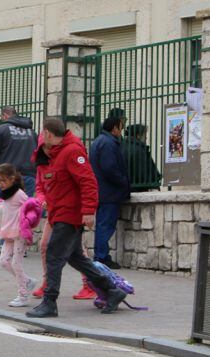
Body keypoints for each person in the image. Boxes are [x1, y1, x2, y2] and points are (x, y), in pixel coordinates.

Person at [26, 117, 126, 318]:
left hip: (69, 214)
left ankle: (50, 302)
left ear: (48, 133)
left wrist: (88, 211)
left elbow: (88, 182)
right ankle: (113, 291)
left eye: (43, 133)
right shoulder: (57, 153)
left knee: (54, 254)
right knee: (76, 258)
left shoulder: (71, 151)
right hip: (61, 213)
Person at [0, 164, 37, 307]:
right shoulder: (7, 193)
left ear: (12, 179)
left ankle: (23, 295)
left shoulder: (19, 194)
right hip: (8, 233)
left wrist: (28, 223)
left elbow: (31, 205)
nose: (0, 184)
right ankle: (27, 281)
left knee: (16, 263)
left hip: (19, 233)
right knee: (3, 261)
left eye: (3, 180)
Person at [89, 115, 130, 269]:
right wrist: (123, 181)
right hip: (109, 192)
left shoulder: (100, 141)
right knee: (105, 225)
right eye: (121, 127)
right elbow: (110, 168)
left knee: (102, 225)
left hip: (102, 191)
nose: (122, 131)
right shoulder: (108, 143)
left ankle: (101, 256)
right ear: (114, 128)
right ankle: (101, 257)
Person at [123, 123, 160, 192]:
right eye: (145, 134)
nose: (146, 138)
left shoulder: (121, 146)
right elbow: (144, 172)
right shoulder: (139, 150)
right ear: (138, 135)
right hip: (138, 189)